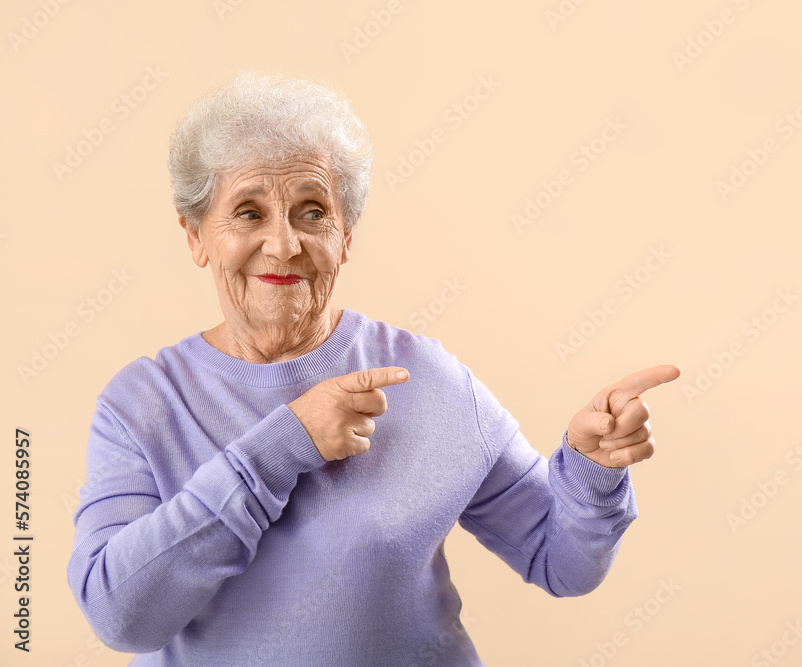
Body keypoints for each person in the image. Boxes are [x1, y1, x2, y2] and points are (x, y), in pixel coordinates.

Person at [66, 70, 680, 666]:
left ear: (346, 234)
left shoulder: (426, 379)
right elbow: (121, 618)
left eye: (312, 211)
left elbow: (561, 562)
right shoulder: (142, 404)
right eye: (249, 213)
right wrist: (285, 445)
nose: (283, 244)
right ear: (196, 236)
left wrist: (592, 470)